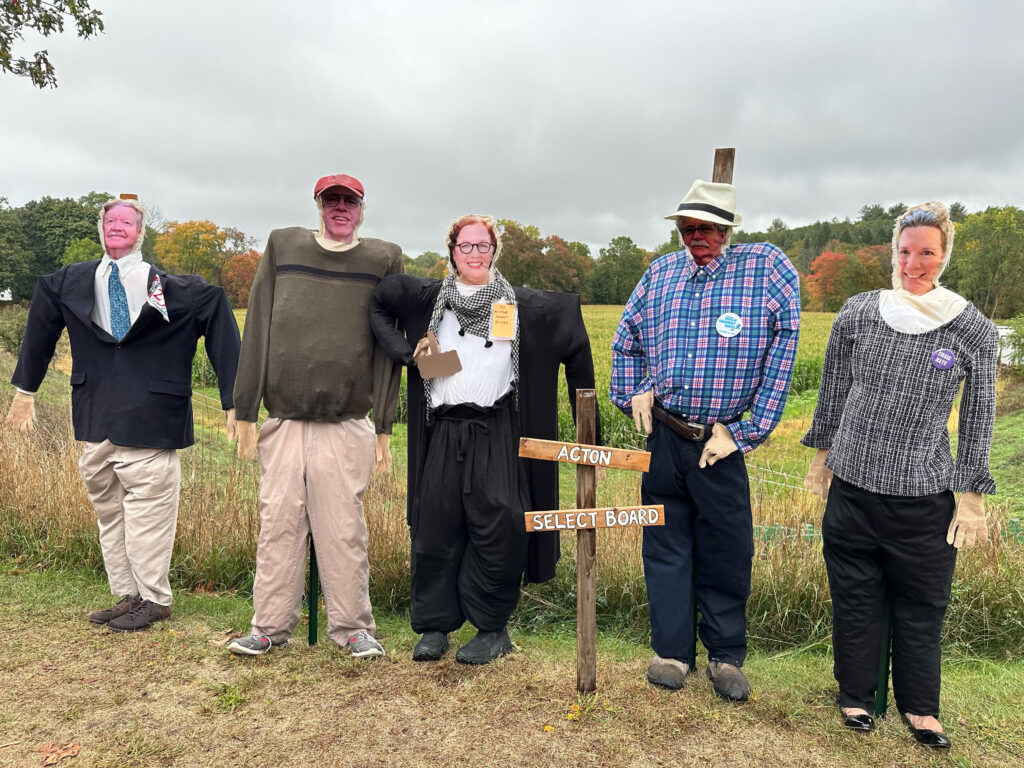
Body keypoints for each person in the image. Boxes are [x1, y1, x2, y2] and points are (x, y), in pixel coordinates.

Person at [802, 202, 997, 748]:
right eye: (905, 251)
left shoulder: (972, 329)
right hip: (853, 490)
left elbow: (980, 415)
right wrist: (820, 458)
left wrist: (972, 497)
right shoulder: (859, 313)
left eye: (927, 252)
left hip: (924, 498)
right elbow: (833, 390)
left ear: (945, 255)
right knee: (856, 600)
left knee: (921, 605)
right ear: (894, 252)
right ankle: (857, 696)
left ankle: (920, 707)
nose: (914, 264)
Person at [5, 195, 240, 631]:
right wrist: (26, 391)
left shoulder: (175, 289)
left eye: (126, 221)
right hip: (96, 417)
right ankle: (128, 595)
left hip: (153, 419)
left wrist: (234, 403)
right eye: (110, 220)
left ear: (140, 232)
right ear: (101, 227)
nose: (117, 226)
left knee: (149, 516)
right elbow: (39, 330)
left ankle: (155, 599)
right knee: (109, 514)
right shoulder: (69, 282)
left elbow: (220, 318)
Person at [371, 214, 598, 664]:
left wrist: (585, 431)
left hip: (497, 429)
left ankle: (491, 628)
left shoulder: (520, 305)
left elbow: (575, 344)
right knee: (435, 526)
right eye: (465, 246)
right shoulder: (429, 299)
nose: (474, 254)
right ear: (452, 251)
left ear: (494, 251)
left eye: (483, 246)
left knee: (500, 525)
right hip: (444, 428)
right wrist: (407, 355)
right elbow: (378, 304)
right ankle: (434, 626)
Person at [611, 180, 800, 700]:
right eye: (688, 227)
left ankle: (725, 657)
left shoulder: (766, 269)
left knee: (726, 550)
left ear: (728, 229)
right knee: (665, 546)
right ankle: (671, 653)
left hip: (720, 441)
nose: (698, 236)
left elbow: (784, 352)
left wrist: (746, 432)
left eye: (709, 228)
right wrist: (634, 392)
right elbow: (625, 341)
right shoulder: (660, 274)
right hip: (666, 437)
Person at [228, 174, 402, 658]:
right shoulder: (283, 246)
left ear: (362, 209)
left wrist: (384, 425)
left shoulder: (383, 259)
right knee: (278, 525)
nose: (340, 209)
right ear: (319, 206)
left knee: (343, 531)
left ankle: (354, 629)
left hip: (346, 423)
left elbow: (390, 343)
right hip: (285, 420)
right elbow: (257, 325)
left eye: (349, 202)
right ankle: (268, 627)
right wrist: (246, 408)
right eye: (331, 201)